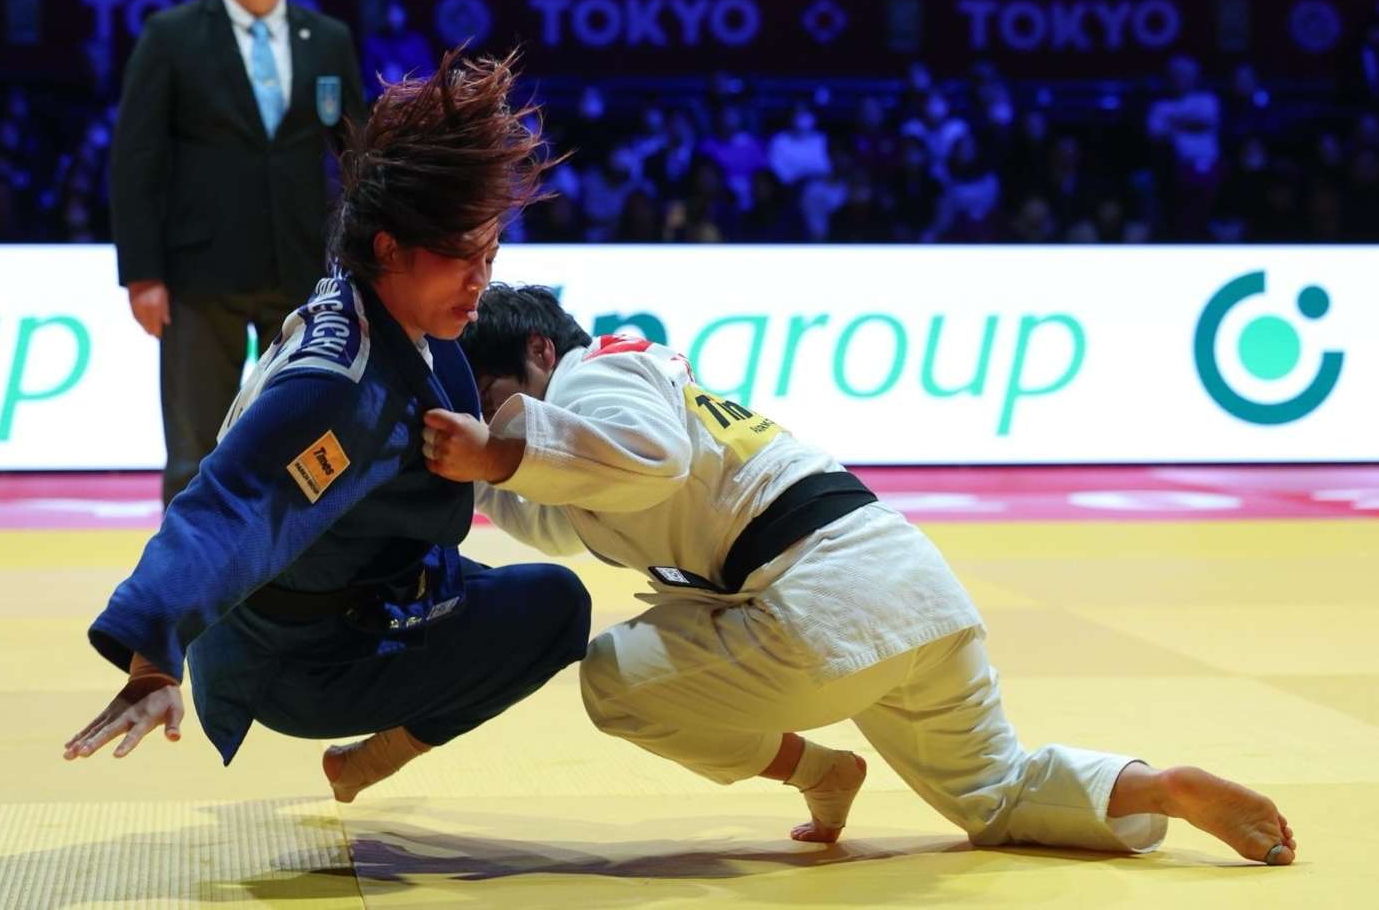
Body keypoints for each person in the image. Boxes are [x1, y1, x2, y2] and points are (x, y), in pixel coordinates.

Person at [425, 284, 1298, 866]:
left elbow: (643, 458)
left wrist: (497, 453)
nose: (499, 420)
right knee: (996, 796)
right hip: (908, 585)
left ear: (541, 351)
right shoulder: (606, 412)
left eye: (495, 396)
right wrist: (471, 471)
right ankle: (1157, 790)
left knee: (615, 680)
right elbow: (559, 507)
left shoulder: (598, 376)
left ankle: (819, 772)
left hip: (819, 600)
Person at [65, 51, 591, 807]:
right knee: (558, 609)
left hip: (369, 582)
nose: (481, 280)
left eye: (490, 254)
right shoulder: (340, 391)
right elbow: (232, 504)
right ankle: (379, 754)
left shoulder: (380, 303)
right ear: (389, 248)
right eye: (461, 258)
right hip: (301, 660)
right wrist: (153, 652)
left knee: (534, 589)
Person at [109, 0, 370, 507]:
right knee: (196, 447)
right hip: (199, 273)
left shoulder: (326, 38)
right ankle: (186, 566)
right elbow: (136, 160)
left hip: (302, 267)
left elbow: (356, 156)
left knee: (306, 437)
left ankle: (302, 559)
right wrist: (142, 274)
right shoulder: (171, 36)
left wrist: (364, 263)